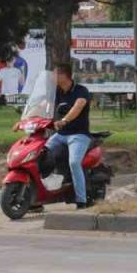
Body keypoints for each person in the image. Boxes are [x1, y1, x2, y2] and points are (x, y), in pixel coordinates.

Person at [45, 63, 93, 208]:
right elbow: (42, 105)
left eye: (54, 74)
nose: (52, 77)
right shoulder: (57, 92)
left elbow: (77, 107)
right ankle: (41, 193)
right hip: (60, 135)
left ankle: (81, 199)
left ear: (63, 76)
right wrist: (24, 121)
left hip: (78, 135)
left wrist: (64, 120)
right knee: (40, 154)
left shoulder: (81, 91)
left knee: (74, 162)